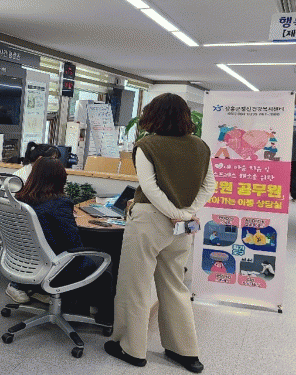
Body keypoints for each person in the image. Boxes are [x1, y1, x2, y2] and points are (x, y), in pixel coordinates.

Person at [104, 93, 215, 374]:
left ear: (152, 115)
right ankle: (184, 351)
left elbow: (149, 187)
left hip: (149, 221)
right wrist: (186, 212)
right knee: (175, 285)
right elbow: (210, 186)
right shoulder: (201, 146)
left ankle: (132, 349)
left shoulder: (147, 145)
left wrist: (173, 212)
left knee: (135, 285)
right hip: (181, 227)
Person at [14, 157, 114, 325]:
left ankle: (73, 302)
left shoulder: (21, 200)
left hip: (26, 265)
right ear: (60, 179)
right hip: (56, 269)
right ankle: (104, 319)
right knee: (104, 264)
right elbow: (73, 243)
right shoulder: (59, 204)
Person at [5, 142, 60, 303]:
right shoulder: (24, 177)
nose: (56, 163)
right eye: (54, 159)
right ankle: (17, 285)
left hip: (26, 224)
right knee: (56, 239)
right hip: (22, 227)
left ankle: (37, 287)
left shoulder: (34, 174)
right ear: (41, 159)